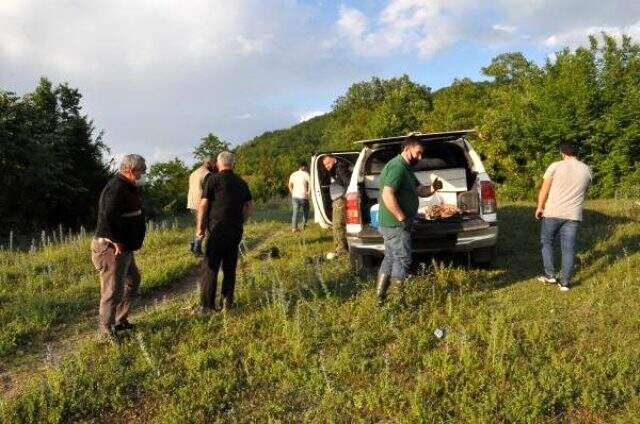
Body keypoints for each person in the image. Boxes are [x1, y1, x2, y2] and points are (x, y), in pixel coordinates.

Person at [376, 135, 442, 305]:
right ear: (407, 149)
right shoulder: (397, 167)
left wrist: (433, 188)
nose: (420, 158)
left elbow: (420, 189)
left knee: (391, 258)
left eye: (422, 154)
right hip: (395, 224)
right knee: (402, 259)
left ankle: (380, 297)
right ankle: (396, 302)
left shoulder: (406, 168)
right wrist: (401, 217)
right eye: (418, 153)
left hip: (392, 224)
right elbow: (387, 194)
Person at [91, 154, 147, 340]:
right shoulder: (115, 188)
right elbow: (106, 217)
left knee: (133, 280)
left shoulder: (128, 186)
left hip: (126, 247)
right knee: (112, 290)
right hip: (112, 249)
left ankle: (119, 319)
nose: (143, 175)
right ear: (131, 171)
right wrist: (115, 241)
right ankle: (107, 331)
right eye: (142, 171)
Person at [196, 151, 253, 311]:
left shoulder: (212, 179)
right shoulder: (241, 182)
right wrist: (242, 220)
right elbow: (249, 206)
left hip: (217, 229)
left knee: (210, 266)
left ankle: (206, 307)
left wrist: (199, 228)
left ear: (218, 164)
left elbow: (203, 205)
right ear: (233, 164)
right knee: (230, 267)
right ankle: (227, 304)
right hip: (235, 230)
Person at [535, 141, 592, 291]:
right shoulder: (587, 170)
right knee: (569, 248)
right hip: (573, 214)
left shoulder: (555, 166)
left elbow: (544, 189)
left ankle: (550, 275)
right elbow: (584, 190)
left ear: (563, 152)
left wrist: (540, 207)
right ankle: (565, 283)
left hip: (553, 211)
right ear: (577, 153)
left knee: (546, 241)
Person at [322, 155, 351, 258]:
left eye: (328, 163)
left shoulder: (340, 168)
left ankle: (342, 251)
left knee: (338, 225)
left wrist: (345, 196)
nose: (327, 166)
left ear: (334, 160)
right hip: (338, 199)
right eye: (325, 165)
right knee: (336, 225)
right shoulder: (335, 169)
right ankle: (340, 248)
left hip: (341, 200)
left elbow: (349, 182)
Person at [187, 156, 216, 255]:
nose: (215, 165)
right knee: (205, 227)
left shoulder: (194, 173)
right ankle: (197, 249)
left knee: (199, 226)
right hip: (201, 204)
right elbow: (209, 192)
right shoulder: (207, 174)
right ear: (208, 163)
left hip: (192, 203)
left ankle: (193, 245)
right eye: (213, 163)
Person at [288, 161, 311, 232]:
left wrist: (292, 192)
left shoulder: (293, 174)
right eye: (306, 167)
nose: (307, 168)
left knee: (295, 212)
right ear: (304, 166)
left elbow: (289, 185)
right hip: (303, 196)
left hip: (295, 196)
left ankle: (294, 228)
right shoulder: (306, 174)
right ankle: (304, 225)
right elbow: (310, 183)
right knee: (306, 211)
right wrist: (308, 192)